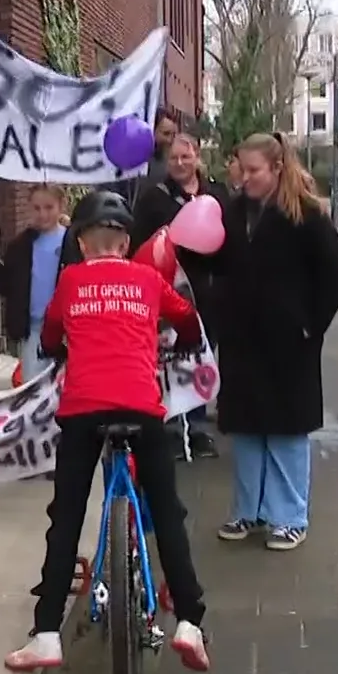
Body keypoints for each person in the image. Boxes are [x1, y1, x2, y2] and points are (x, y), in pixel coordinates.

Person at [5, 190, 210, 673]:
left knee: (67, 517)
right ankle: (190, 620)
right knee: (167, 510)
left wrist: (66, 347)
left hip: (83, 410)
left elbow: (51, 336)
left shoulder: (71, 281)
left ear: (81, 244)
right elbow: (187, 319)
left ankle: (47, 634)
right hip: (141, 405)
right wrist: (178, 343)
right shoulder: (147, 278)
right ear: (123, 243)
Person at [209, 133, 338, 551]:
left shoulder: (305, 215)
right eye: (242, 169)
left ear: (276, 169)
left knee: (286, 430)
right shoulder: (231, 213)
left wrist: (311, 325)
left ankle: (289, 517)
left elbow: (334, 276)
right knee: (247, 428)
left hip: (289, 342)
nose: (244, 178)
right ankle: (247, 511)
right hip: (242, 339)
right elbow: (217, 260)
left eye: (254, 171)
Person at [129, 130, 227, 459]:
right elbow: (137, 241)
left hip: (209, 293)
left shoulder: (217, 194)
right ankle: (171, 430)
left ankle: (198, 431)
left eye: (186, 157)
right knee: (169, 362)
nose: (180, 163)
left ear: (197, 156)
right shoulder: (153, 197)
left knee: (201, 359)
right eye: (173, 158)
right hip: (167, 294)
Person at [0, 184, 78, 385]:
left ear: (61, 205)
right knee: (33, 385)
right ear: (29, 208)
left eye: (48, 207)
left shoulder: (74, 242)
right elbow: (6, 283)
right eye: (37, 208)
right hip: (34, 329)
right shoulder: (20, 245)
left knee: (68, 385)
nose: (42, 214)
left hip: (69, 329)